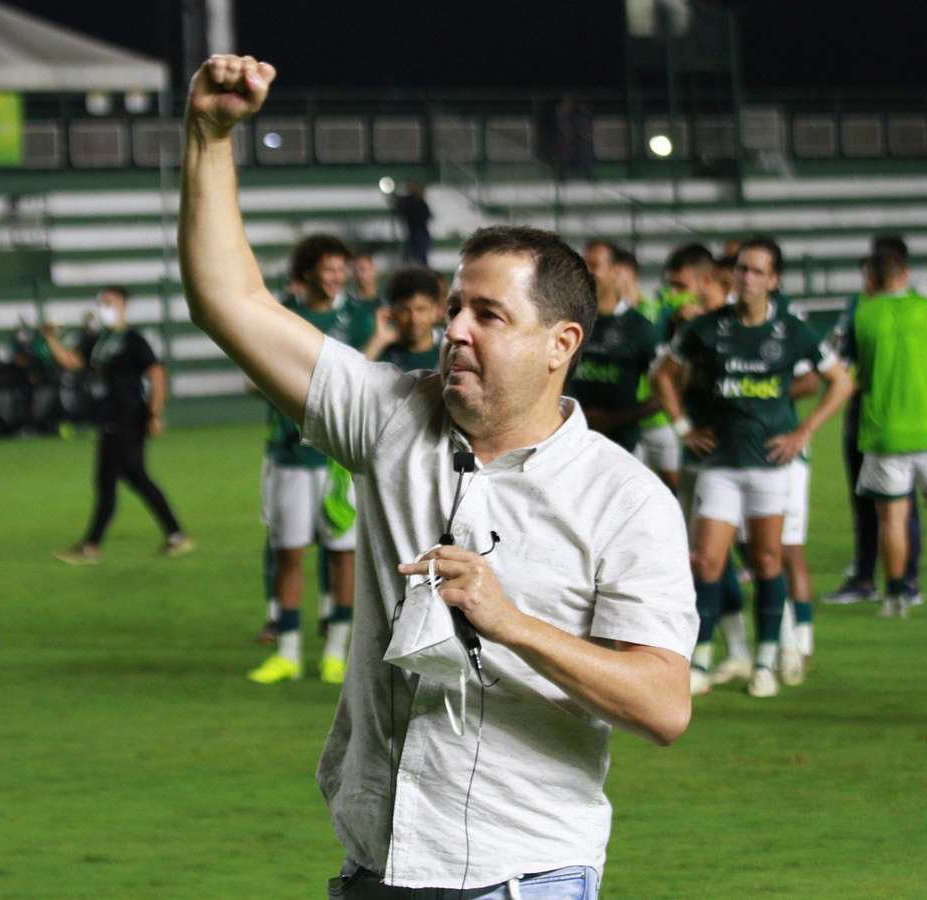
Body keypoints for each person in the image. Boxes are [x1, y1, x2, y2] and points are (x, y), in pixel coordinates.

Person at [181, 53, 696, 898]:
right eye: (456, 308)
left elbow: (664, 704)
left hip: (523, 877)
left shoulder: (625, 498)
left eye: (488, 315)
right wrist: (208, 137)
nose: (455, 329)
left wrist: (512, 623)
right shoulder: (389, 416)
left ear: (561, 344)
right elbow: (228, 303)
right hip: (376, 870)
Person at [653, 237, 853, 698]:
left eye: (757, 271)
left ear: (774, 280)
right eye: (742, 269)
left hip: (769, 466)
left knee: (766, 561)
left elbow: (840, 381)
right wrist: (683, 427)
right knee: (706, 561)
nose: (746, 278)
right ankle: (702, 659)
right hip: (719, 464)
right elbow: (662, 374)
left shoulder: (792, 330)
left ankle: (765, 661)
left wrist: (804, 431)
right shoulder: (705, 328)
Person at [249, 233, 373, 685]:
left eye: (341, 268)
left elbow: (367, 376)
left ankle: (336, 654)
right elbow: (254, 377)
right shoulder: (283, 316)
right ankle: (288, 654)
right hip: (290, 455)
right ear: (307, 272)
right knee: (288, 553)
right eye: (329, 268)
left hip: (340, 457)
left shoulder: (359, 317)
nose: (337, 276)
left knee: (343, 556)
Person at [841, 248, 927, 617]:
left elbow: (849, 373)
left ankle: (895, 595)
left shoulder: (862, 315)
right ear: (905, 274)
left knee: (892, 518)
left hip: (884, 433)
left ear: (871, 280)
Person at [41, 286, 194, 563]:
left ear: (124, 305)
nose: (104, 307)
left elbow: (157, 375)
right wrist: (51, 338)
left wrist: (155, 414)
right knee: (136, 477)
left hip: (128, 417)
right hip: (110, 416)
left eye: (110, 302)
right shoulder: (99, 339)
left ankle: (91, 546)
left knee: (107, 480)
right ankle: (176, 535)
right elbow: (72, 362)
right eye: (102, 302)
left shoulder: (133, 340)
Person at [823, 242, 924, 605]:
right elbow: (838, 353)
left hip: (891, 418)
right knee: (865, 499)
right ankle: (866, 577)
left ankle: (907, 580)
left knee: (899, 502)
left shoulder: (911, 311)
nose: (868, 281)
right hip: (862, 415)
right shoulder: (858, 308)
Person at [567, 240, 659, 453]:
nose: (587, 273)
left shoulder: (640, 327)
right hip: (571, 444)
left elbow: (666, 388)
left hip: (622, 446)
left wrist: (616, 418)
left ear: (615, 271)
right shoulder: (567, 321)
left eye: (594, 265)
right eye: (583, 266)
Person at [363, 266, 443, 370]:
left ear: (435, 311)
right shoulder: (381, 358)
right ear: (392, 313)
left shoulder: (448, 358)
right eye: (405, 310)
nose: (414, 319)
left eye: (421, 309)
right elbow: (353, 378)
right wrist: (378, 341)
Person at [393, 181, 432, 266]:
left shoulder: (414, 202)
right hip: (418, 233)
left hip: (419, 233)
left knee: (420, 258)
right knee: (419, 258)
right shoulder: (416, 201)